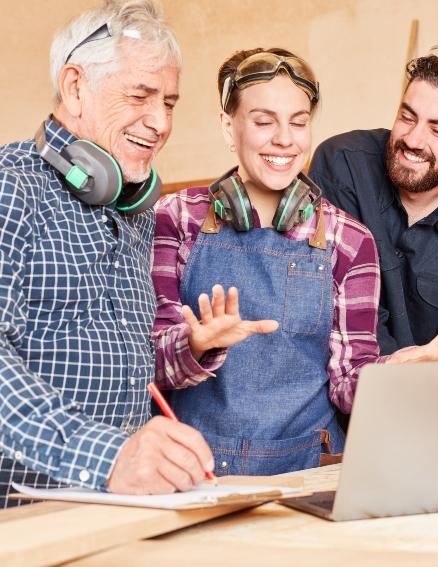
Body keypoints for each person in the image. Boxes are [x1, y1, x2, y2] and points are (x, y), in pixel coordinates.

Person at [152, 48, 438, 476]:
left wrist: (403, 370)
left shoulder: (349, 241)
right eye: (263, 122)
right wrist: (198, 344)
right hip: (189, 472)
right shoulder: (175, 218)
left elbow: (349, 384)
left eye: (298, 122)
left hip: (308, 472)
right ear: (227, 125)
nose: (284, 140)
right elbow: (147, 365)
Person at [0, 0, 215, 508]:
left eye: (170, 103)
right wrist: (108, 457)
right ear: (75, 87)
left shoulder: (134, 210)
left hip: (113, 509)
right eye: (140, 95)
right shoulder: (11, 188)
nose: (160, 123)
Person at [309, 45, 438, 356]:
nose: (413, 140)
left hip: (430, 398)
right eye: (408, 117)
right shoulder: (343, 164)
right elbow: (333, 304)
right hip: (336, 389)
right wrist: (409, 363)